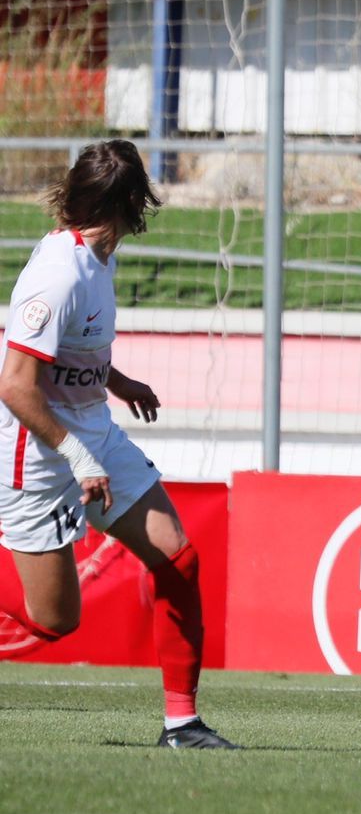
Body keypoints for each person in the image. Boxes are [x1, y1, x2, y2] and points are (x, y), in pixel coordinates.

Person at [0, 141, 230, 748]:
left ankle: (182, 725)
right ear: (134, 201)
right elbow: (16, 387)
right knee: (55, 620)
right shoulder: (57, 276)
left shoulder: (99, 257)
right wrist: (76, 457)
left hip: (93, 430)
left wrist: (118, 381)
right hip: (40, 455)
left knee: (178, 558)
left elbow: (72, 357)